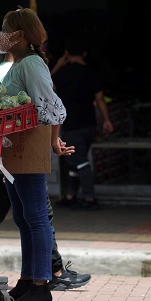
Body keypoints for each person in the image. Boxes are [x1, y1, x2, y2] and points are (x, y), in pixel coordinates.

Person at [0, 50, 91, 293]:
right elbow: (50, 105)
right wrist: (52, 139)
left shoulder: (7, 71)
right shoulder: (25, 66)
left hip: (8, 154)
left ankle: (39, 276)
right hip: (18, 153)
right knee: (36, 217)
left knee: (23, 216)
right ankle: (42, 280)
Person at [0, 6, 74, 301]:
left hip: (29, 147)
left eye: (7, 28)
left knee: (36, 217)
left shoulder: (31, 63)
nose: (2, 34)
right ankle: (28, 279)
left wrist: (53, 140)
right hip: (14, 150)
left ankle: (42, 285)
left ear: (21, 34)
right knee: (23, 217)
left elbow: (52, 105)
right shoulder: (15, 64)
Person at [51, 38, 114, 210]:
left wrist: (59, 64)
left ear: (67, 53)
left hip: (73, 125)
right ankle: (71, 196)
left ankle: (89, 198)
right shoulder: (92, 72)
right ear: (84, 53)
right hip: (90, 124)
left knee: (79, 161)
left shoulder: (64, 73)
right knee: (74, 160)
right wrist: (106, 120)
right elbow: (100, 98)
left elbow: (46, 85)